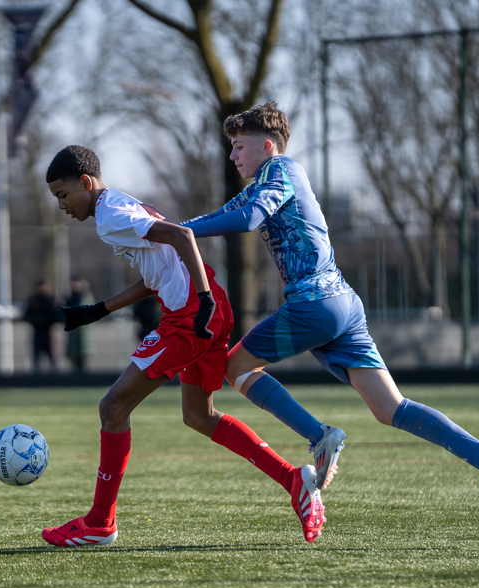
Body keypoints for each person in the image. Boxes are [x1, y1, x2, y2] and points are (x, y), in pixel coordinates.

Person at [164, 101, 479, 526]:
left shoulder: (280, 170)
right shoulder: (268, 178)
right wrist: (165, 229)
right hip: (343, 304)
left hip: (315, 303)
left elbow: (247, 220)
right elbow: (224, 214)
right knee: (390, 408)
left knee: (235, 366)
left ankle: (319, 435)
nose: (232, 155)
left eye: (238, 146)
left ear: (266, 146)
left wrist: (176, 233)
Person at [42, 145, 325, 547]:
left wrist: (203, 300)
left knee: (113, 407)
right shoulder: (120, 205)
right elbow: (158, 271)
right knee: (199, 415)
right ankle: (293, 479)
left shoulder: (111, 215)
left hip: (192, 315)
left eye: (63, 195)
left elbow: (182, 235)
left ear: (85, 183)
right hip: (206, 307)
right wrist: (99, 309)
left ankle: (100, 523)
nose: (62, 206)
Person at [24, 281, 62, 373]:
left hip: (48, 333)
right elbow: (26, 316)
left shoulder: (51, 301)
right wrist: (38, 320)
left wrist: (46, 320)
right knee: (36, 358)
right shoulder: (33, 301)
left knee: (52, 358)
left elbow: (56, 316)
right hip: (37, 332)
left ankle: (55, 378)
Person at [64, 277, 93, 372]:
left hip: (83, 335)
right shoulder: (69, 299)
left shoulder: (86, 298)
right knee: (73, 361)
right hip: (73, 334)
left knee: (83, 361)